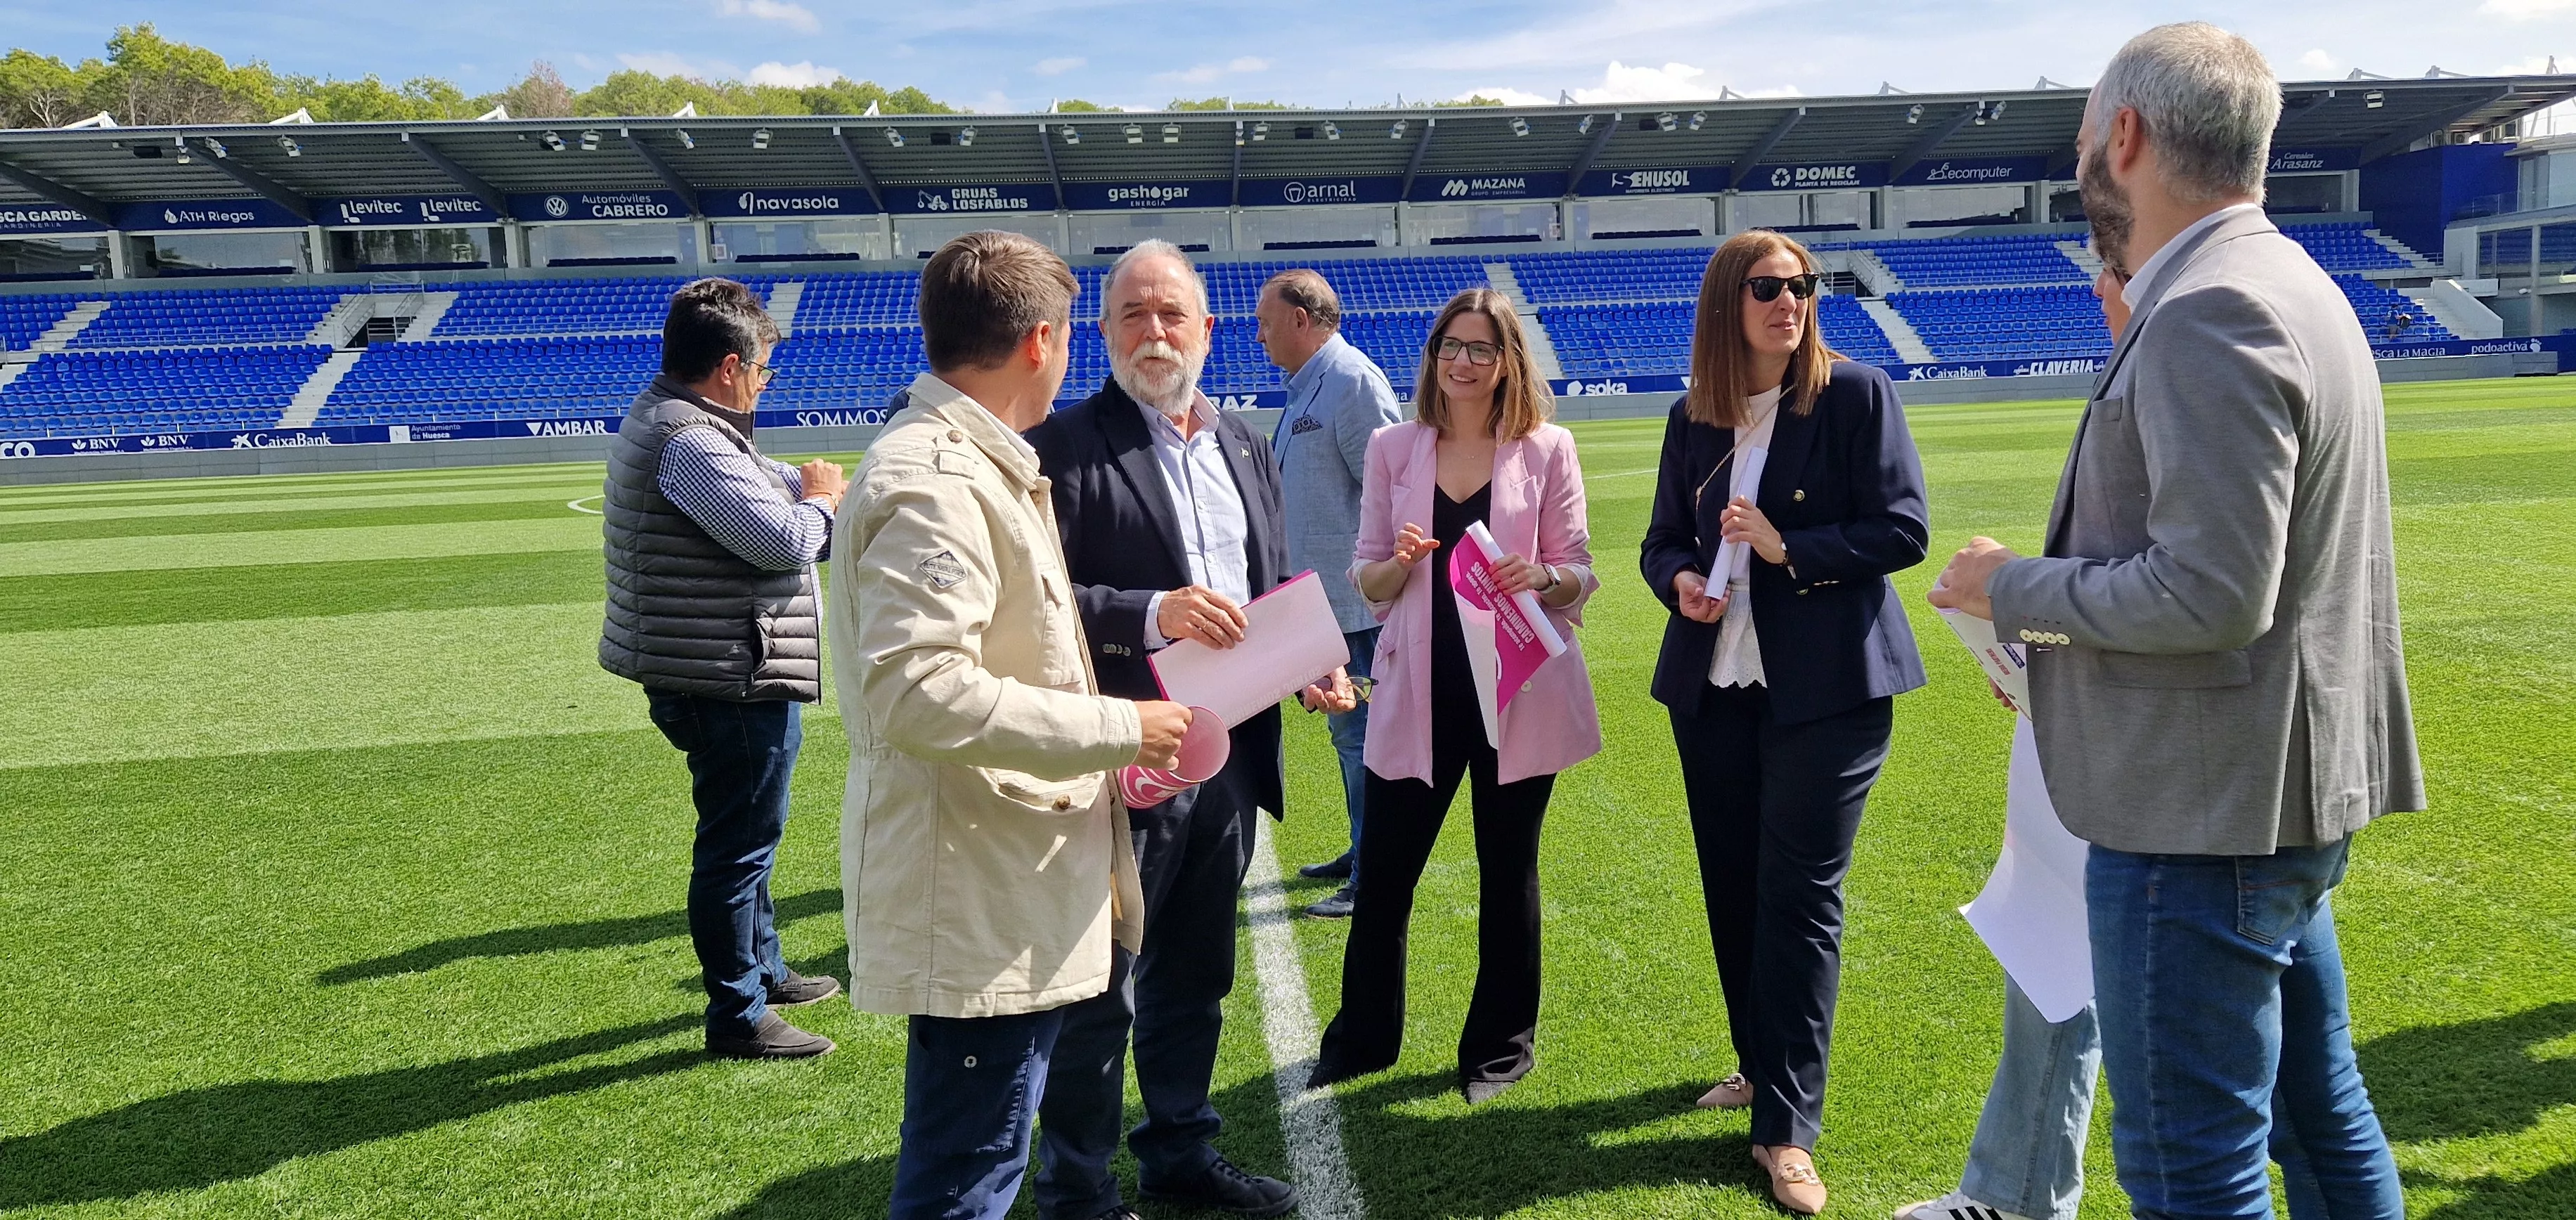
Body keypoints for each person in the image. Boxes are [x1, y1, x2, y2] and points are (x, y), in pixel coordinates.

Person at [1929, 22, 2423, 1220]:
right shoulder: (2285, 281)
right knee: (2322, 1121)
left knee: (2192, 1176)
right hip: (2272, 797)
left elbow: (2209, 594)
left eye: (2088, 133)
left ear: (2130, 137)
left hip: (2203, 821)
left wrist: (2014, 590)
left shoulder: (2213, 307)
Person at [834, 230, 1196, 1220]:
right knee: (967, 1175)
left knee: (981, 1156)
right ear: (1042, 342)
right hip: (974, 887)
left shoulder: (975, 465)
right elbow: (919, 690)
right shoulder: (937, 478)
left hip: (1002, 870)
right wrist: (1118, 727)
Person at [1026, 240, 1344, 1220]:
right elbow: (1033, 606)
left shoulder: (1247, 441)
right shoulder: (1062, 447)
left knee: (1197, 973)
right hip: (1126, 758)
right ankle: (1075, 1190)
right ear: (1102, 335)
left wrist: (1310, 662)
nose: (1154, 332)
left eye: (1173, 315)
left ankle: (1179, 1152)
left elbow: (1272, 584)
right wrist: (1147, 612)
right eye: (1133, 314)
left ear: (1207, 331)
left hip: (1234, 760)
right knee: (1101, 987)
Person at [1638, 230, 1930, 1215]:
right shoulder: (1695, 414)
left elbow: (1903, 529)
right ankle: (1761, 1068)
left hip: (1830, 691)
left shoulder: (1855, 394)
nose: (1790, 300)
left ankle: (1786, 1132)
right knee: (1734, 889)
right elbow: (1659, 541)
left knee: (1801, 902)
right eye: (1767, 287)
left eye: (1802, 286)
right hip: (1715, 689)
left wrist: (1783, 547)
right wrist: (1681, 579)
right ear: (1729, 305)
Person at [1309, 287, 1602, 1105]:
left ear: (1509, 360)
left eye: (1481, 348)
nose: (1464, 362)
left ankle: (1498, 1049)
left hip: (1518, 693)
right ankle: (1362, 1039)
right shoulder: (1394, 448)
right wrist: (1400, 562)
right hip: (1418, 696)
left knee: (1508, 874)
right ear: (1432, 356)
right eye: (1451, 346)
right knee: (1386, 875)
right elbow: (1366, 577)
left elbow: (1580, 569)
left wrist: (1543, 575)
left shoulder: (1546, 447)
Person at [1897, 239, 2132, 1220]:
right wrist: (2037, 651)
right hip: (2106, 728)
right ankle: (2016, 1195)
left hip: (2167, 759)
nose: (2099, 290)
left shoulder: (2194, 360)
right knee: (2058, 971)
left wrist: (2012, 592)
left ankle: (2019, 1197)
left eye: (2117, 269)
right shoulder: (2147, 367)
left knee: (2235, 1062)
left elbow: (2193, 595)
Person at [597, 276, 847, 1060]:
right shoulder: (691, 439)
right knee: (738, 845)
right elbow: (781, 540)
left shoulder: (676, 419)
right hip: (726, 674)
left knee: (751, 839)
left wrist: (800, 496)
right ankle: (737, 1012)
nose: (765, 384)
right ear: (731, 367)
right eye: (764, 370)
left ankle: (763, 969)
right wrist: (826, 500)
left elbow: (759, 493)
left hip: (718, 661)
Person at [1255, 267, 1405, 919]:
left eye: (1266, 322)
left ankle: (1376, 871)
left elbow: (1392, 492)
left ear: (1300, 319)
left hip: (1355, 605)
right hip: (1322, 605)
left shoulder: (1349, 382)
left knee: (1364, 737)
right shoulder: (1307, 387)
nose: (1258, 336)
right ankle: (1362, 848)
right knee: (1350, 736)